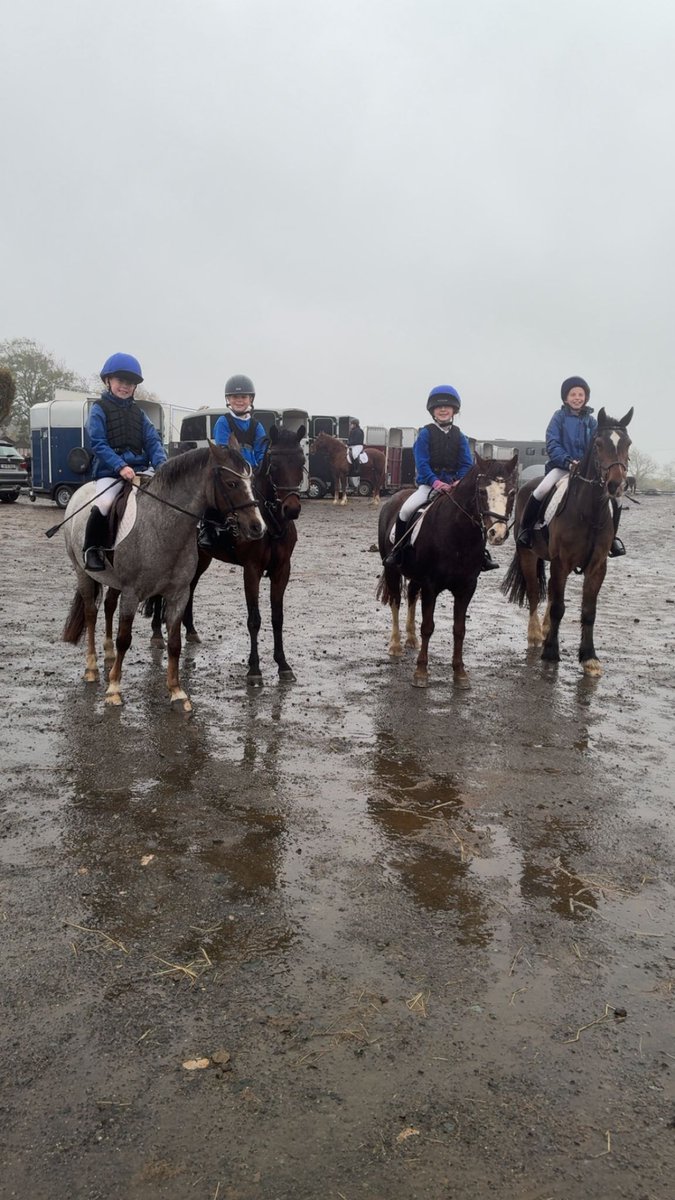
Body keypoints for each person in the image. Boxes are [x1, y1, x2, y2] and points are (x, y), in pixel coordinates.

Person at [385, 385, 498, 570]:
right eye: (439, 407)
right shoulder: (425, 434)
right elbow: (421, 463)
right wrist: (435, 481)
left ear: (454, 410)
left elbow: (466, 463)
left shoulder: (460, 436)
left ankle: (481, 555)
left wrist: (459, 481)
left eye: (447, 406)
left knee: (477, 513)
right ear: (432, 411)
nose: (443, 409)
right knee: (406, 510)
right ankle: (398, 551)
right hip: (429, 485)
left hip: (455, 486)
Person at [517, 376, 626, 556]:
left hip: (587, 471)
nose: (577, 397)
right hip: (561, 467)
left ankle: (612, 538)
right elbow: (552, 443)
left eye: (580, 394)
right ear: (566, 398)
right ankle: (526, 531)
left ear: (586, 397)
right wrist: (568, 461)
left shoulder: (592, 422)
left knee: (617, 498)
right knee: (541, 489)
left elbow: (600, 447)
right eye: (573, 394)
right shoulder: (558, 417)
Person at [82, 353, 167, 572]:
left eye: (130, 383)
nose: (125, 386)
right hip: (110, 472)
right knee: (104, 503)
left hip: (141, 470)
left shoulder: (140, 414)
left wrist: (162, 467)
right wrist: (120, 466)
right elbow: (98, 444)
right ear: (108, 381)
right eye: (120, 381)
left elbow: (153, 441)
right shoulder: (98, 410)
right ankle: (92, 549)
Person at [198, 374, 267, 550]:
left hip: (251, 472)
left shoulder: (256, 425)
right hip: (230, 470)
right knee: (215, 491)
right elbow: (223, 450)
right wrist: (239, 468)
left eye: (243, 397)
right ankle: (207, 529)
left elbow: (261, 449)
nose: (239, 400)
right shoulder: (223, 422)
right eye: (235, 397)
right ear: (228, 399)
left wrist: (258, 467)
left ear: (250, 399)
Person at [347, 419, 365, 490]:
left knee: (354, 454)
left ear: (355, 424)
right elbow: (350, 440)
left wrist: (349, 443)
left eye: (351, 424)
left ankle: (357, 469)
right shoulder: (352, 431)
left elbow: (356, 440)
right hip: (352, 445)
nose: (350, 425)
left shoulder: (359, 431)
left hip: (358, 446)